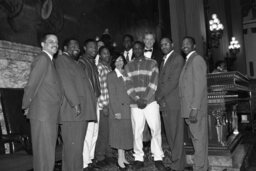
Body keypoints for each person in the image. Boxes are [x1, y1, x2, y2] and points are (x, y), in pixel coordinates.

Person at [55, 39, 97, 171]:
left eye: (77, 46)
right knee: (72, 149)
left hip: (80, 111)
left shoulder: (75, 63)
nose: (76, 47)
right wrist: (75, 103)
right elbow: (66, 81)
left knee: (77, 149)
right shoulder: (62, 60)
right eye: (72, 45)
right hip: (73, 111)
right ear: (65, 48)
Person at [22, 33, 62, 171]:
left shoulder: (50, 61)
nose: (55, 44)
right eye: (51, 41)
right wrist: (26, 105)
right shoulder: (43, 59)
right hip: (43, 115)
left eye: (56, 42)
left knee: (47, 154)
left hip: (49, 115)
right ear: (42, 44)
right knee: (44, 155)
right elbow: (32, 84)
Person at [124, 41, 166, 171]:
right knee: (137, 131)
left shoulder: (152, 63)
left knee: (155, 129)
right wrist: (137, 99)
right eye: (134, 48)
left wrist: (145, 99)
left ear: (143, 49)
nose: (137, 50)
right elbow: (127, 84)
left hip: (151, 102)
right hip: (135, 103)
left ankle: (158, 157)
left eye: (139, 48)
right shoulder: (128, 66)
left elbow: (154, 83)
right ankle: (138, 158)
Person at [179, 36, 208, 171]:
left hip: (194, 109)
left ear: (194, 45)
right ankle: (202, 167)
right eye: (183, 44)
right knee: (198, 139)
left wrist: (194, 108)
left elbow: (200, 86)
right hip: (189, 109)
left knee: (198, 140)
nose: (185, 45)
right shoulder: (188, 61)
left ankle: (199, 167)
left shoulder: (196, 60)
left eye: (188, 43)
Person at [156, 37, 185, 171]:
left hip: (173, 103)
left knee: (176, 136)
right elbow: (161, 82)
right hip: (165, 103)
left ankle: (177, 166)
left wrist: (158, 96)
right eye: (162, 45)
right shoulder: (164, 61)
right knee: (171, 135)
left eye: (166, 44)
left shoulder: (177, 58)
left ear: (172, 44)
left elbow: (172, 81)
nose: (164, 46)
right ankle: (177, 163)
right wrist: (160, 99)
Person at [107, 55, 133, 170]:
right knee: (119, 135)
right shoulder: (111, 75)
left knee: (125, 134)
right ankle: (119, 159)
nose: (119, 62)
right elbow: (112, 95)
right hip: (118, 110)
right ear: (113, 62)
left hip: (128, 109)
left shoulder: (127, 73)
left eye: (121, 60)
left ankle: (123, 158)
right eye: (116, 60)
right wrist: (116, 111)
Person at [79, 39, 101, 170]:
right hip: (88, 102)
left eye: (95, 47)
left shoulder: (92, 63)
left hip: (95, 101)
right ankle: (84, 163)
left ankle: (90, 159)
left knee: (94, 132)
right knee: (87, 133)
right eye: (91, 47)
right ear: (84, 47)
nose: (94, 49)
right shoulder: (81, 63)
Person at [94, 46, 113, 169]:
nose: (106, 55)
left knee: (109, 132)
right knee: (103, 133)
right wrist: (103, 105)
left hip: (110, 105)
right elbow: (98, 88)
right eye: (103, 53)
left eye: (108, 53)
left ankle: (109, 154)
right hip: (103, 106)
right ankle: (100, 157)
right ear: (100, 55)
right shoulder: (99, 68)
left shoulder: (109, 67)